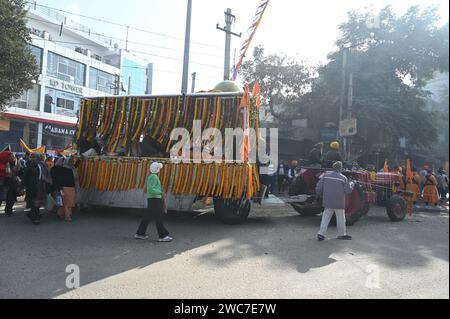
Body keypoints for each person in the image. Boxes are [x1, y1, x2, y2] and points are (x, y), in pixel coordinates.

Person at [316, 161, 354, 241]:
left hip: (327, 201)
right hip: (339, 202)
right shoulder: (343, 178)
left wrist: (319, 194)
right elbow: (348, 191)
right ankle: (341, 234)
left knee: (325, 217)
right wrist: (352, 184)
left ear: (333, 167)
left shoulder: (326, 176)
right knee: (340, 218)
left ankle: (321, 233)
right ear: (341, 168)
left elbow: (319, 188)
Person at [135, 162, 173, 242]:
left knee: (147, 216)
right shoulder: (154, 177)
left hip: (151, 199)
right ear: (157, 169)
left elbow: (148, 189)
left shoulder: (151, 176)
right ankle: (162, 236)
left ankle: (140, 233)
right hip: (155, 199)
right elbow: (151, 189)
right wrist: (160, 192)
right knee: (159, 217)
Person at [24, 154, 47, 225]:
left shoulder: (42, 166)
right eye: (32, 157)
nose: (33, 159)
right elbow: (25, 177)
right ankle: (35, 218)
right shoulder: (29, 167)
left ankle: (33, 215)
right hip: (31, 187)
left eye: (35, 157)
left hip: (40, 188)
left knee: (37, 203)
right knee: (33, 203)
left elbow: (46, 175)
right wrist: (22, 187)